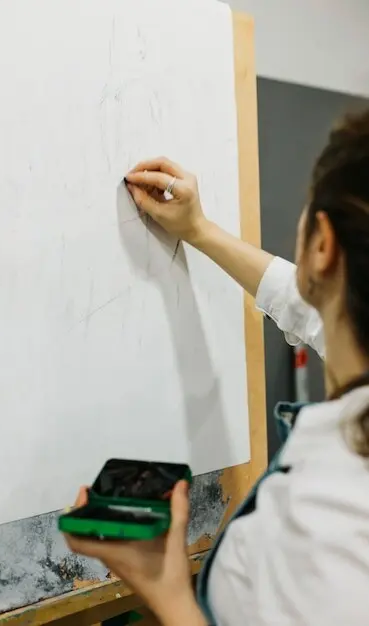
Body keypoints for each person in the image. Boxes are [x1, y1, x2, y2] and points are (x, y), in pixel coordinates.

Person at [65, 110, 369, 625]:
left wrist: (169, 595)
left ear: (323, 244)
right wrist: (198, 230)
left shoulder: (327, 521)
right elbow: (304, 303)